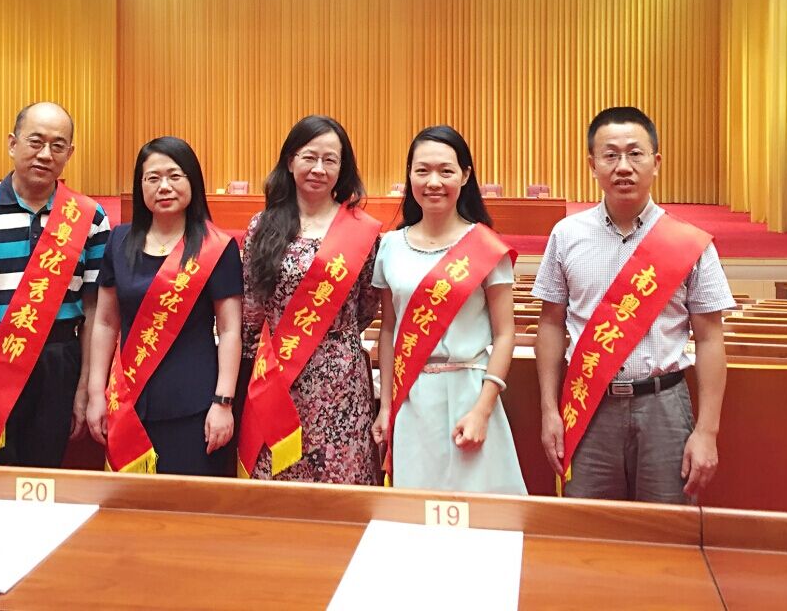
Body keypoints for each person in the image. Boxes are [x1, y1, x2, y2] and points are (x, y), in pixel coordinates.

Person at [533, 106, 734, 504]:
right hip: (588, 404)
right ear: (592, 165)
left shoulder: (689, 243)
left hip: (664, 407)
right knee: (588, 525)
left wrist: (707, 431)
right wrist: (549, 410)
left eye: (635, 153)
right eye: (610, 155)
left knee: (665, 529)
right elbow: (551, 323)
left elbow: (711, 339)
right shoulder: (566, 235)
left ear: (656, 162)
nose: (623, 166)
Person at [0, 101, 110, 468]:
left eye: (58, 146)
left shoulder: (90, 217)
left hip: (59, 363)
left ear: (70, 154)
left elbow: (95, 310)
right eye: (35, 141)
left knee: (42, 481)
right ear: (12, 144)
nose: (45, 154)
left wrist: (83, 387)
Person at [372, 125, 525, 495]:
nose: (433, 182)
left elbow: (505, 333)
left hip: (470, 392)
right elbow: (389, 331)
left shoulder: (485, 246)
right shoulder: (391, 246)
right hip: (413, 397)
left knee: (481, 511)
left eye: (446, 171)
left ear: (465, 175)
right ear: (409, 176)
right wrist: (387, 407)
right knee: (416, 509)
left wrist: (483, 409)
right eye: (422, 171)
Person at [85, 137, 243, 476]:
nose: (164, 186)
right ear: (140, 185)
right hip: (127, 400)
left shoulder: (217, 247)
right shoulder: (119, 241)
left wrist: (223, 402)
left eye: (174, 176)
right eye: (152, 178)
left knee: (188, 503)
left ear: (192, 181)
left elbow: (230, 330)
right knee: (129, 504)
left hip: (195, 407)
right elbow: (105, 323)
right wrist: (96, 392)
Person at [238, 115, 382, 484]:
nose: (319, 168)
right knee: (278, 483)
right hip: (276, 375)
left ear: (342, 168)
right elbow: (251, 306)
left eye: (330, 160)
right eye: (309, 157)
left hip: (341, 381)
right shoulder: (262, 226)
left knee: (342, 480)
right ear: (290, 161)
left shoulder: (362, 231)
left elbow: (367, 306)